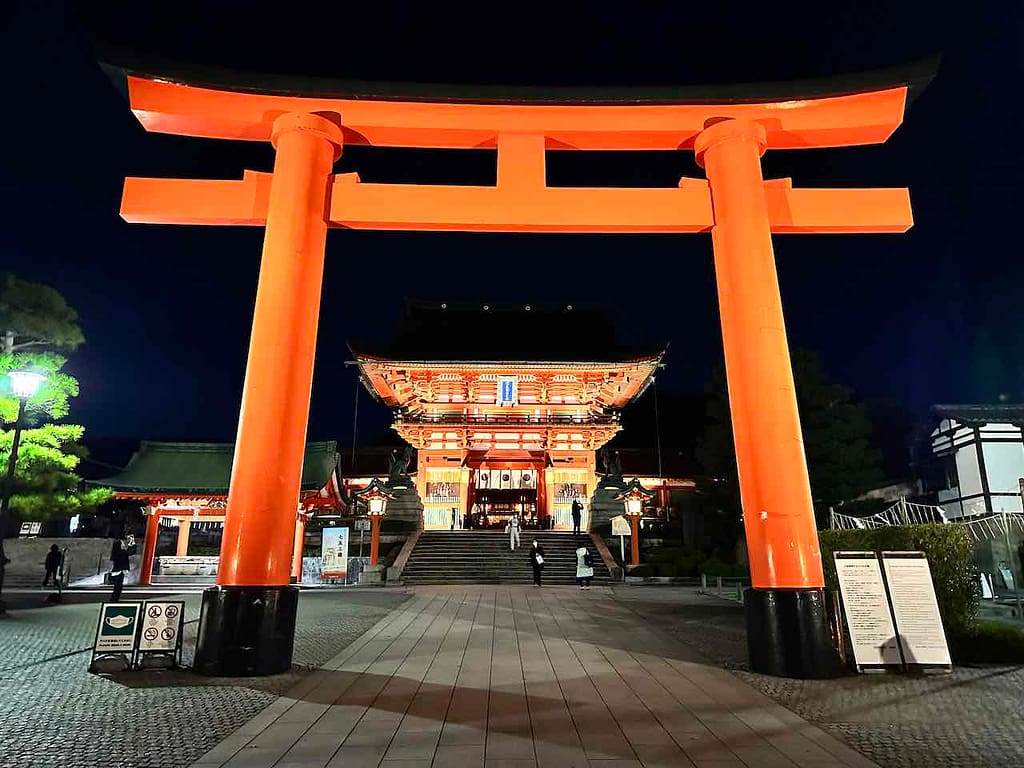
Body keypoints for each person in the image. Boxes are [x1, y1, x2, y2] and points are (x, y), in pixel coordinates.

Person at [109, 538, 132, 602]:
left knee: (119, 585)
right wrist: (131, 544)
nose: (123, 545)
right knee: (118, 585)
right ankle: (114, 598)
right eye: (122, 544)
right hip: (120, 568)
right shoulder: (119, 549)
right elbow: (129, 552)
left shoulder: (119, 549)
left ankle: (115, 598)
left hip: (120, 567)